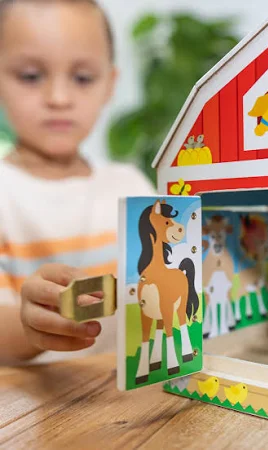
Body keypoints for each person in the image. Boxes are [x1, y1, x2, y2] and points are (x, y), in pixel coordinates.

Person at [0, 0, 157, 365]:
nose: (59, 98)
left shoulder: (131, 185)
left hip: (127, 393)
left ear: (110, 85)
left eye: (83, 78)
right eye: (30, 76)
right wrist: (29, 324)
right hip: (33, 398)